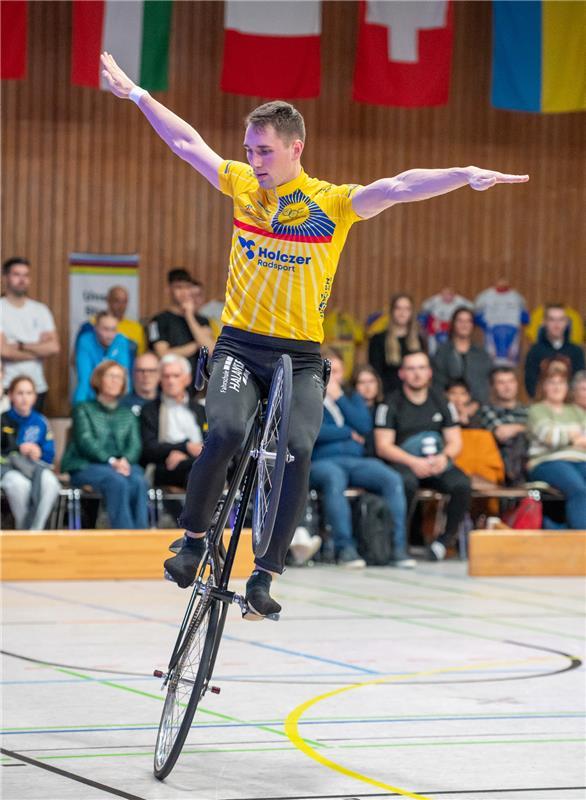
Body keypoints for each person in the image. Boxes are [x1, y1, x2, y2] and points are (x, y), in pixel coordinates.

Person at [101, 50, 527, 615]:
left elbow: (399, 186)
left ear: (295, 148)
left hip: (300, 357)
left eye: (264, 151)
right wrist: (137, 94)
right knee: (225, 432)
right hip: (239, 345)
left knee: (297, 448)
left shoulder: (333, 202)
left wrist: (462, 175)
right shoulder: (243, 188)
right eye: (249, 150)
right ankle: (194, 539)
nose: (252, 161)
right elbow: (187, 144)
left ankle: (266, 573)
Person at [309, 351, 413, 568]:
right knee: (334, 478)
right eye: (329, 371)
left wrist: (338, 399)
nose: (333, 376)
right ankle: (345, 548)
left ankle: (397, 547)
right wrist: (346, 432)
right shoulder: (309, 396)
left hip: (355, 461)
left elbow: (365, 427)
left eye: (337, 371)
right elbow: (312, 431)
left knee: (391, 478)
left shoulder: (350, 396)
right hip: (322, 461)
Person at [374, 351, 472, 561]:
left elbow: (455, 441)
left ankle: (442, 543)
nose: (416, 374)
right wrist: (413, 462)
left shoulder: (442, 402)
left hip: (436, 461)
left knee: (462, 484)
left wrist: (444, 457)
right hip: (404, 462)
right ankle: (401, 542)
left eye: (421, 368)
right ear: (402, 374)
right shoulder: (390, 403)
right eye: (411, 369)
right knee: (405, 484)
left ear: (429, 373)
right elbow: (383, 446)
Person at [61, 360, 149, 529]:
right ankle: (125, 537)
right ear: (99, 379)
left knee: (139, 481)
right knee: (117, 481)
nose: (115, 381)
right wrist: (111, 461)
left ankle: (142, 537)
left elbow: (135, 446)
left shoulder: (128, 414)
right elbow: (85, 442)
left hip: (122, 466)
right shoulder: (83, 409)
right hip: (86, 465)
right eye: (111, 376)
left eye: (119, 377)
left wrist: (124, 460)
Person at [527, 362, 586, 529]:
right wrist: (575, 436)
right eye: (552, 382)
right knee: (579, 489)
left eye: (561, 383)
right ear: (544, 386)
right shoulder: (537, 410)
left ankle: (561, 530)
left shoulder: (576, 411)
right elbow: (550, 437)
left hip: (580, 461)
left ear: (567, 387)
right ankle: (582, 541)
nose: (556, 387)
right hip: (547, 462)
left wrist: (564, 434)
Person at [0, 375, 61, 529]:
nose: (24, 398)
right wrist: (17, 449)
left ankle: (35, 531)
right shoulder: (3, 420)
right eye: (20, 393)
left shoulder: (41, 421)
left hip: (35, 467)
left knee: (51, 483)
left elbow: (49, 454)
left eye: (29, 393)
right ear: (12, 395)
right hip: (8, 468)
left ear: (35, 396)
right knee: (20, 485)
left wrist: (38, 452)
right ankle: (23, 529)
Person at [0, 257, 60, 411]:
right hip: (6, 386)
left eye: (26, 275)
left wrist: (20, 345)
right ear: (5, 277)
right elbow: (3, 351)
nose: (22, 279)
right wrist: (39, 351)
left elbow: (53, 347)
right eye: (17, 274)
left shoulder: (40, 310)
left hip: (36, 387)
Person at [140, 354, 206, 488]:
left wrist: (187, 456)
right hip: (165, 464)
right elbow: (149, 449)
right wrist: (184, 447)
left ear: (187, 379)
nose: (170, 381)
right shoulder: (150, 410)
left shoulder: (200, 409)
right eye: (166, 376)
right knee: (198, 470)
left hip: (198, 461)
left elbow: (209, 440)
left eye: (176, 376)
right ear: (160, 379)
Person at [148, 269, 216, 378]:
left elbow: (212, 350)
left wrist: (189, 316)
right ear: (169, 290)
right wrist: (197, 343)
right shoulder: (158, 320)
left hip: (198, 385)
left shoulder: (202, 321)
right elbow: (163, 354)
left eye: (187, 287)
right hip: (170, 383)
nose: (184, 292)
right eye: (179, 287)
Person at [432, 306, 493, 404]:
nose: (464, 325)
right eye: (460, 321)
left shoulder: (482, 354)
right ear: (453, 324)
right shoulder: (442, 352)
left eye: (468, 321)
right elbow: (438, 385)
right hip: (446, 408)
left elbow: (484, 385)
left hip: (476, 410)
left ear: (473, 325)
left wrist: (474, 406)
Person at [480, 367, 529, 485]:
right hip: (504, 461)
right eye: (501, 382)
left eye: (511, 381)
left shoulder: (529, 410)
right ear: (493, 387)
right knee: (518, 440)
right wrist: (526, 428)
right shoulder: (487, 410)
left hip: (531, 456)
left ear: (517, 384)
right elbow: (501, 434)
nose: (507, 387)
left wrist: (516, 428)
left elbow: (540, 432)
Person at [368, 294, 425, 396]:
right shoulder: (378, 339)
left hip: (414, 394)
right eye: (398, 308)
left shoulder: (420, 340)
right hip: (388, 394)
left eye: (407, 309)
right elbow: (375, 373)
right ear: (392, 311)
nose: (402, 313)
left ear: (411, 313)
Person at [73, 311, 134, 405]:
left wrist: (126, 408)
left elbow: (124, 377)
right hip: (90, 399)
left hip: (114, 400)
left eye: (113, 329)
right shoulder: (85, 341)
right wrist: (78, 408)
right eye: (105, 329)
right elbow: (84, 380)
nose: (109, 335)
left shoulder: (121, 341)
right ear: (95, 328)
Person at [524, 304, 585, 398]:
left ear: (566, 323)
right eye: (552, 319)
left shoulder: (576, 352)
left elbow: (580, 382)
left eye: (561, 320)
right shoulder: (534, 351)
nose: (557, 324)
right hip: (542, 404)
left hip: (571, 406)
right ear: (544, 322)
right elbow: (530, 383)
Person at [106, 285, 147, 356]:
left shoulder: (136, 327)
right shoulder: (94, 324)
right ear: (108, 301)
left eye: (124, 301)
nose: (121, 306)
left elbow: (140, 356)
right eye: (117, 301)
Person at [121, 352, 161, 416]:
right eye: (141, 370)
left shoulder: (167, 404)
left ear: (159, 374)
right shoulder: (122, 405)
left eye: (151, 370)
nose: (146, 375)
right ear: (133, 374)